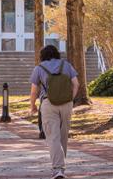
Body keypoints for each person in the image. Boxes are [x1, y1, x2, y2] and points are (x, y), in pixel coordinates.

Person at [29, 45, 79, 179]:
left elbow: (34, 90)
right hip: (67, 104)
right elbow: (76, 84)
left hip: (48, 103)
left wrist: (32, 105)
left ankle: (58, 170)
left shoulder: (39, 68)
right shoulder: (66, 65)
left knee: (53, 137)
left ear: (42, 55)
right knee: (63, 136)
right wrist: (70, 99)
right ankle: (61, 167)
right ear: (56, 54)